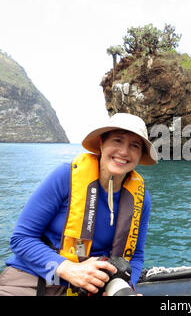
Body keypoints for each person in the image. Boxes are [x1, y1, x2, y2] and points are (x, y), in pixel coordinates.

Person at [0, 113, 157, 296]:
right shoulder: (65, 177)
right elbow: (21, 238)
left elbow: (136, 256)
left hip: (89, 289)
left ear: (140, 155)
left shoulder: (141, 199)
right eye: (117, 141)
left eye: (134, 145)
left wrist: (125, 289)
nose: (123, 151)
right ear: (101, 144)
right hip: (34, 279)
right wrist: (67, 269)